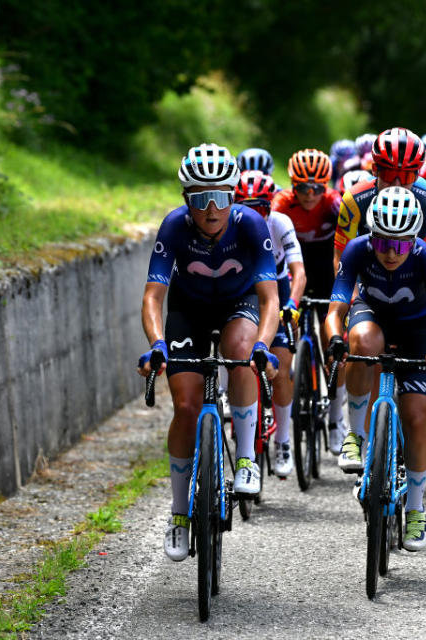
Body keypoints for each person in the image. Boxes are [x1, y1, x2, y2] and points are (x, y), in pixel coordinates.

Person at [138, 144, 279, 562]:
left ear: (233, 196)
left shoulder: (252, 225)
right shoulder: (174, 227)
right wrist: (157, 343)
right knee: (186, 405)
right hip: (189, 310)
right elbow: (153, 297)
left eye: (220, 196)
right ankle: (179, 515)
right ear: (187, 201)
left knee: (239, 352)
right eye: (201, 198)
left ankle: (248, 458)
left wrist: (263, 347)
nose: (212, 208)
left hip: (240, 305)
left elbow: (269, 298)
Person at [325, 187, 426, 551]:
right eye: (383, 242)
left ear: (413, 239)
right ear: (371, 235)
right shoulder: (356, 250)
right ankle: (356, 435)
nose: (390, 252)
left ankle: (415, 509)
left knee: (416, 415)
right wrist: (336, 338)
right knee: (361, 343)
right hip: (373, 316)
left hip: (418, 330)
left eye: (400, 245)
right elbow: (335, 311)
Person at [333, 127, 426, 454]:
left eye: (408, 175)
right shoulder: (355, 199)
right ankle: (355, 431)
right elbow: (341, 252)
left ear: (419, 173)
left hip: (418, 287)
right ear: (374, 168)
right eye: (389, 173)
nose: (398, 182)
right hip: (373, 288)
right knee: (361, 342)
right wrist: (347, 294)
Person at [271, 149, 347, 451]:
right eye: (303, 187)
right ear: (293, 186)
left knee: (335, 343)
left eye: (318, 187)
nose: (310, 194)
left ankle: (335, 418)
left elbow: (348, 243)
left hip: (326, 266)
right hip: (296, 266)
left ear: (326, 185)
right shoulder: (281, 205)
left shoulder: (335, 204)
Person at [235, 170, 306, 476]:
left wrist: (292, 304)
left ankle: (284, 441)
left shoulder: (280, 223)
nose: (254, 215)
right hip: (242, 290)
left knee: (282, 369)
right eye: (246, 207)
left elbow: (298, 271)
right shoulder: (229, 226)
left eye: (261, 208)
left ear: (270, 207)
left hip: (276, 289)